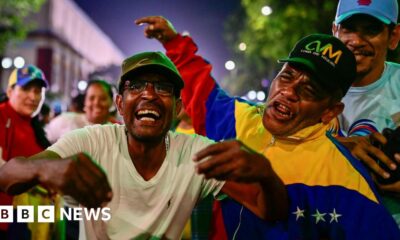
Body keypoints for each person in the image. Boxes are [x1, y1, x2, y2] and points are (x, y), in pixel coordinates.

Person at [136, 16, 400, 239]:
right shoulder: (239, 117)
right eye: (286, 76)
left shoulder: (347, 182)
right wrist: (172, 41)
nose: (288, 91)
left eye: (308, 89)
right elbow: (200, 86)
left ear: (330, 111)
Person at [0, 51, 288, 240]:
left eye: (162, 87)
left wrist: (266, 174)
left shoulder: (196, 154)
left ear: (177, 108)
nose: (149, 94)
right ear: (120, 104)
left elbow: (268, 210)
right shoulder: (92, 140)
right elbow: (7, 176)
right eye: (136, 86)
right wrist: (45, 169)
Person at [332, 0, 400, 225]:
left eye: (371, 30)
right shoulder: (307, 86)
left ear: (393, 37)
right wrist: (340, 146)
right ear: (335, 31)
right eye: (349, 28)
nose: (356, 41)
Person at [0, 65, 61, 239]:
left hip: (34, 216)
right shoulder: (3, 115)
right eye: (26, 89)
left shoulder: (33, 126)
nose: (33, 96)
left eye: (38, 91)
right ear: (10, 91)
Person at [45, 79, 115, 143]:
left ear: (112, 103)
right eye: (91, 98)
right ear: (85, 101)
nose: (96, 103)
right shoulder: (66, 121)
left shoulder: (115, 133)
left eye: (102, 99)